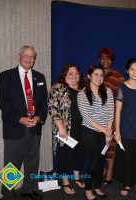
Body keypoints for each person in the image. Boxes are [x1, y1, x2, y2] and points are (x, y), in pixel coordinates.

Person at [0, 45, 48, 200]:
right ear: (19, 56)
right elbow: (3, 103)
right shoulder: (6, 76)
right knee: (11, 164)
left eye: (32, 56)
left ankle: (28, 188)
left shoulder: (40, 77)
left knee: (32, 162)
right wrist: (20, 119)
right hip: (15, 127)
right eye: (26, 55)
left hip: (34, 128)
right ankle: (7, 194)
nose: (29, 59)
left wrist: (39, 118)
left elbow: (43, 103)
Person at [77, 65, 114, 200]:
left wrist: (108, 132)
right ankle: (87, 189)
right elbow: (86, 117)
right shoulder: (82, 93)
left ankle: (97, 187)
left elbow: (111, 112)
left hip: (105, 132)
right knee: (93, 160)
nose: (99, 78)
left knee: (101, 160)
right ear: (89, 76)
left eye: (101, 75)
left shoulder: (108, 92)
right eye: (96, 75)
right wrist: (105, 130)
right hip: (89, 131)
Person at [48, 64, 86, 195]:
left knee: (79, 154)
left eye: (77, 74)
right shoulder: (58, 87)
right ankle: (65, 181)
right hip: (66, 129)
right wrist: (61, 128)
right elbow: (53, 109)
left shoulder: (83, 89)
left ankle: (76, 177)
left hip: (82, 128)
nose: (74, 77)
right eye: (70, 74)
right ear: (64, 75)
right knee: (65, 155)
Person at [114, 58, 136, 196]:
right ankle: (127, 183)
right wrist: (117, 131)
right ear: (127, 71)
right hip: (126, 128)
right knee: (127, 158)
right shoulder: (122, 87)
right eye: (132, 69)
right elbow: (118, 111)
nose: (135, 72)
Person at [98, 48, 124, 184]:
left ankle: (110, 171)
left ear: (112, 60)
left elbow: (123, 95)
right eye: (102, 58)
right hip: (96, 116)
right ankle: (100, 170)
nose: (105, 61)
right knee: (98, 144)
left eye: (108, 58)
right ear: (99, 60)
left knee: (111, 144)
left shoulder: (118, 76)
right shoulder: (95, 74)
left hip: (112, 116)